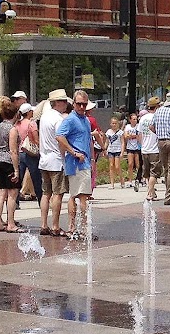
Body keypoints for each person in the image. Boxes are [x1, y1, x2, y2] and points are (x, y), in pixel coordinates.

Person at [62, 91, 98, 238]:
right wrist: (73, 152)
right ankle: (82, 228)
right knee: (81, 196)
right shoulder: (71, 119)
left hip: (85, 162)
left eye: (84, 104)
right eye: (79, 104)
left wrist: (92, 159)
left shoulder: (86, 120)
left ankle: (74, 227)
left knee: (77, 195)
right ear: (73, 104)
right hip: (77, 163)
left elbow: (89, 140)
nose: (82, 107)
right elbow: (59, 136)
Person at [38, 90, 72, 237]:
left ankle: (43, 224)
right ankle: (55, 226)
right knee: (58, 194)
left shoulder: (44, 116)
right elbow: (60, 139)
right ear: (56, 102)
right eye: (63, 101)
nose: (65, 104)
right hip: (56, 160)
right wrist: (68, 153)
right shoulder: (58, 119)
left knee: (46, 193)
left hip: (44, 159)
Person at [0, 98, 23, 232]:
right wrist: (16, 170)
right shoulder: (12, 129)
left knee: (1, 192)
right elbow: (13, 150)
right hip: (9, 162)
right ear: (15, 114)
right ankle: (11, 223)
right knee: (12, 194)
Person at [14, 102, 41, 207]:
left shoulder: (17, 124)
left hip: (19, 153)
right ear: (29, 112)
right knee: (36, 178)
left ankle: (15, 202)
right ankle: (41, 201)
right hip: (30, 153)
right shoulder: (32, 124)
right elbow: (36, 139)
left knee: (19, 178)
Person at [138, 98, 161, 200]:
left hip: (144, 149)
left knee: (147, 172)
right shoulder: (157, 117)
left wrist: (142, 145)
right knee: (154, 173)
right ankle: (150, 193)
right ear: (156, 106)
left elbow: (139, 134)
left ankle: (152, 191)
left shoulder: (143, 118)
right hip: (154, 149)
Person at [103, 116, 125, 187]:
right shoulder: (108, 132)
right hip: (110, 150)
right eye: (113, 123)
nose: (114, 125)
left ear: (118, 124)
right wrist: (104, 149)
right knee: (111, 166)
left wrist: (122, 152)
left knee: (117, 166)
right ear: (110, 124)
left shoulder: (120, 132)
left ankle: (121, 180)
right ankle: (112, 183)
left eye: (115, 123)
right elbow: (107, 142)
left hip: (118, 150)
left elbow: (122, 142)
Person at [123, 112, 142, 187]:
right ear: (130, 120)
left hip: (137, 147)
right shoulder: (128, 127)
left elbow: (139, 135)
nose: (135, 120)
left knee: (138, 164)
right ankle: (130, 180)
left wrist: (131, 136)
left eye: (136, 119)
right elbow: (125, 136)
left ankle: (139, 179)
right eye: (133, 119)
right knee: (130, 164)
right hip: (130, 147)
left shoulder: (138, 126)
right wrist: (133, 136)